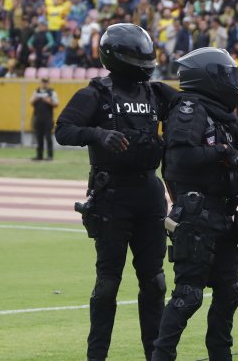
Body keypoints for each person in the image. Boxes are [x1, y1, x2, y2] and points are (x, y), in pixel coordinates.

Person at [55, 23, 180, 361]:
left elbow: (193, 107)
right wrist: (99, 135)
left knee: (154, 282)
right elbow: (63, 130)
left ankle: (156, 356)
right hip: (112, 195)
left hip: (150, 193)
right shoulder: (95, 93)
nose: (142, 62)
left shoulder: (157, 93)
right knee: (108, 283)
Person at [151, 47, 238, 360]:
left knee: (230, 291)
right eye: (229, 74)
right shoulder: (189, 109)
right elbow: (180, 158)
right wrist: (221, 153)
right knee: (188, 296)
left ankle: (221, 355)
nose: (234, 81)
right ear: (210, 76)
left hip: (223, 216)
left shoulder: (221, 115)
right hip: (195, 215)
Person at [30, 77, 59, 161]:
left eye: (46, 82)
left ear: (48, 83)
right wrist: (36, 99)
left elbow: (56, 104)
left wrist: (48, 101)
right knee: (39, 137)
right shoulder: (36, 91)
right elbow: (31, 102)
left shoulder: (51, 92)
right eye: (43, 82)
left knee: (48, 137)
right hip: (38, 117)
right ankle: (39, 155)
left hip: (48, 119)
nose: (44, 84)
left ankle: (50, 156)